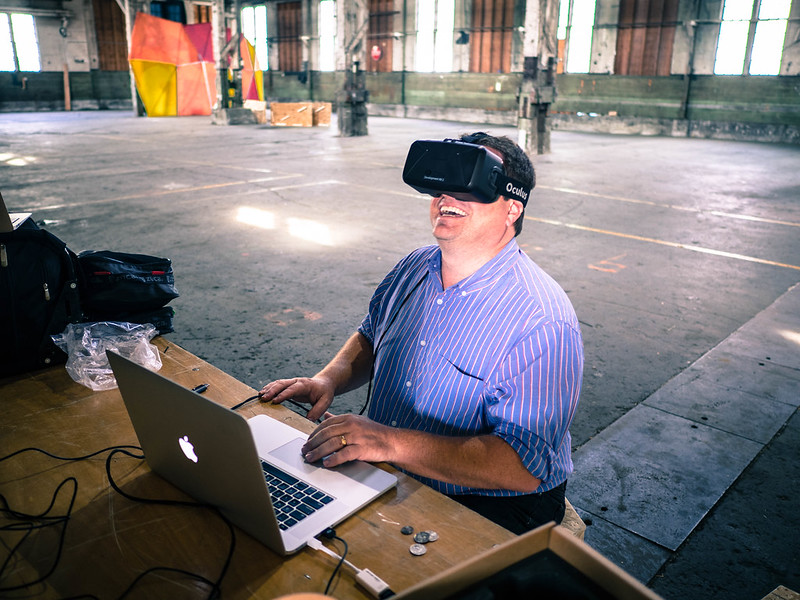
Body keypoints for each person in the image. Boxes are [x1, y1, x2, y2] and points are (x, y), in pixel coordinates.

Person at [259, 132, 583, 534]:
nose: (446, 199)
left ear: (513, 208)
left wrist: (388, 441)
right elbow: (371, 334)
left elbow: (522, 467)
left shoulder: (542, 320)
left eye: (469, 189)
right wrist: (329, 379)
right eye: (443, 188)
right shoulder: (415, 266)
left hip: (490, 502)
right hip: (389, 465)